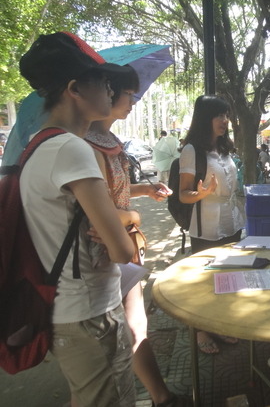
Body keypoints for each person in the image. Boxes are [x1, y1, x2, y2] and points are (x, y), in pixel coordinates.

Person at [18, 32, 136, 406]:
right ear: (74, 89)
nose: (111, 89)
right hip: (91, 314)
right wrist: (125, 226)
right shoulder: (72, 149)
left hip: (66, 311)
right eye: (103, 81)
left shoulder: (39, 144)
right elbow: (122, 250)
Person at [84, 67, 187, 407]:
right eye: (129, 94)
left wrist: (143, 190)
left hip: (123, 245)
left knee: (136, 324)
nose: (133, 101)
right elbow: (100, 211)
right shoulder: (86, 146)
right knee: (122, 332)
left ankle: (161, 396)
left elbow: (114, 191)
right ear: (107, 93)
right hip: (105, 251)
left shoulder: (107, 141)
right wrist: (133, 216)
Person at [178, 95, 244, 354]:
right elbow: (183, 194)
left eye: (226, 115)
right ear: (205, 118)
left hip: (232, 222)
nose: (224, 120)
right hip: (206, 226)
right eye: (218, 115)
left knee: (227, 278)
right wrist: (203, 193)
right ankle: (201, 331)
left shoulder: (224, 148)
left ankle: (220, 324)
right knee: (205, 282)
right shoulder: (192, 150)